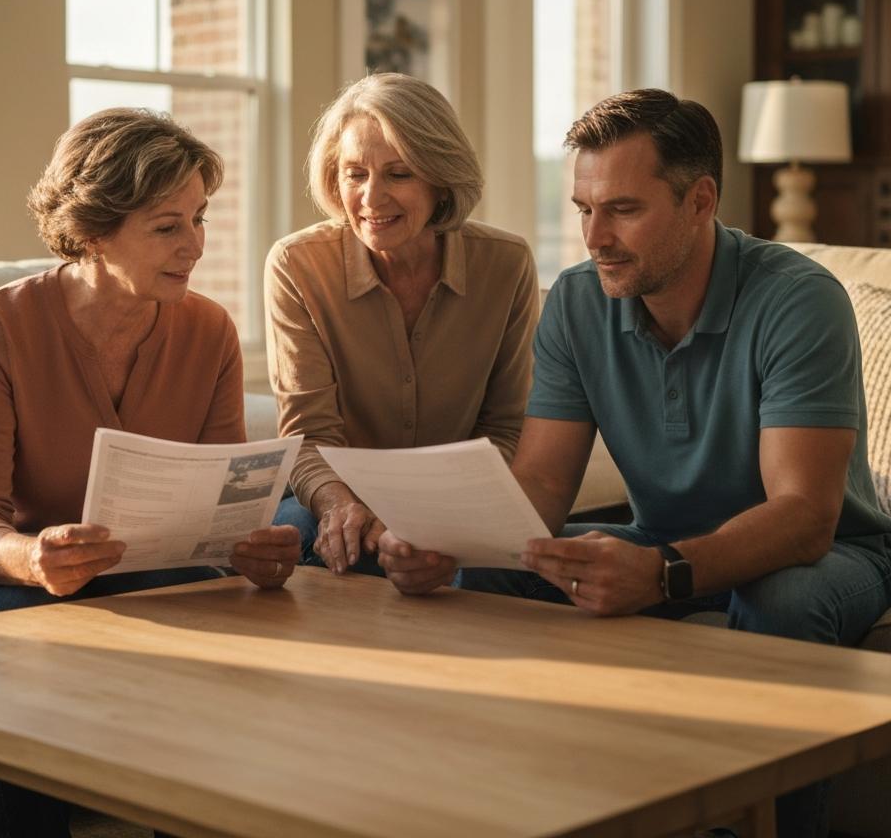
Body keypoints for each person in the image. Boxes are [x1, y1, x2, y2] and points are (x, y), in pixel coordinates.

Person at [377, 88, 891, 837]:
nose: (595, 237)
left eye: (622, 209)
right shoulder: (580, 303)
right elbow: (546, 484)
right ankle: (492, 807)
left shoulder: (798, 301)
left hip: (832, 552)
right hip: (660, 539)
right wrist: (445, 542)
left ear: (700, 200)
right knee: (482, 575)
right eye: (583, 208)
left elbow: (804, 518)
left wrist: (662, 573)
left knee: (783, 598)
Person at [0, 108, 300, 838]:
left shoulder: (207, 331)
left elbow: (221, 499)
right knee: (45, 638)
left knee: (222, 624)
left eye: (200, 218)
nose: (196, 246)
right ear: (92, 229)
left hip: (127, 573)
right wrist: (34, 558)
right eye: (167, 226)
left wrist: (249, 546)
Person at [267, 73, 540, 579]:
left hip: (454, 507)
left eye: (398, 174)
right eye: (355, 173)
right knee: (297, 538)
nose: (371, 198)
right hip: (334, 502)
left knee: (497, 573)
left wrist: (431, 519)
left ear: (440, 179)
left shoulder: (505, 264)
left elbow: (505, 428)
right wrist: (340, 507)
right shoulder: (297, 265)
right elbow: (308, 435)